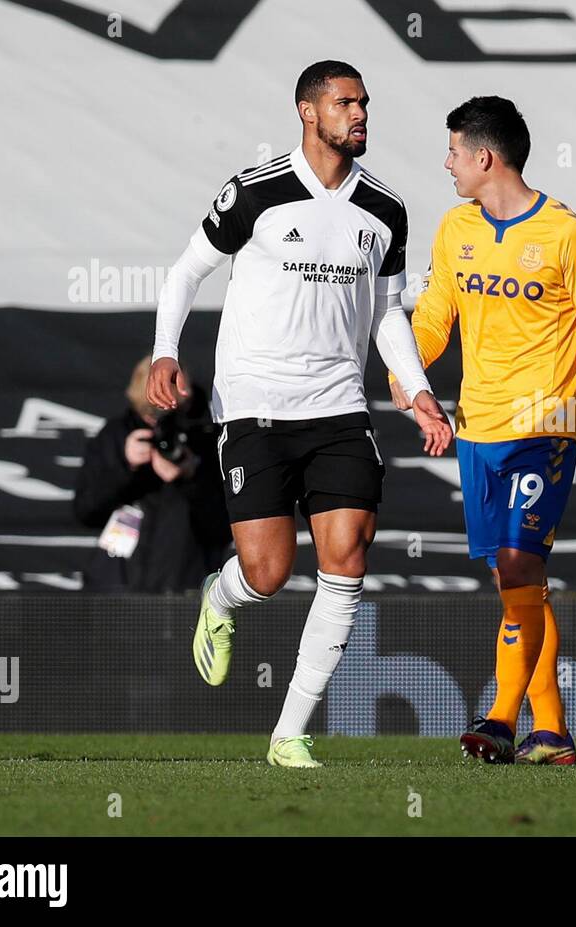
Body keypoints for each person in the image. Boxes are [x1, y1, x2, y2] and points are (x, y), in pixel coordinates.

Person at [147, 60, 452, 768]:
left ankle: (290, 733)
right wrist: (166, 351)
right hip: (253, 404)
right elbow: (187, 270)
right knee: (270, 569)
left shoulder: (386, 208)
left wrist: (419, 389)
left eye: (365, 103)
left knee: (346, 557)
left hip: (341, 407)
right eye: (346, 103)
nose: (361, 114)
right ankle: (220, 599)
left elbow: (387, 314)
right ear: (307, 112)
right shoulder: (255, 191)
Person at [390, 96, 576, 765]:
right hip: (478, 429)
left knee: (519, 563)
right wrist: (407, 368)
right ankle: (554, 729)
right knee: (518, 586)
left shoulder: (567, 233)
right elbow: (434, 317)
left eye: (453, 151)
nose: (446, 163)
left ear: (484, 157)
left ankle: (502, 718)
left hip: (548, 425)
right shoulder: (455, 228)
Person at [74, 356, 230, 592]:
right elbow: (86, 511)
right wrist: (126, 468)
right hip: (117, 584)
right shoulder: (117, 435)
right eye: (150, 414)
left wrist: (191, 477)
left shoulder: (208, 437)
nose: (158, 423)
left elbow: (226, 528)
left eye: (169, 411)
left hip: (185, 586)